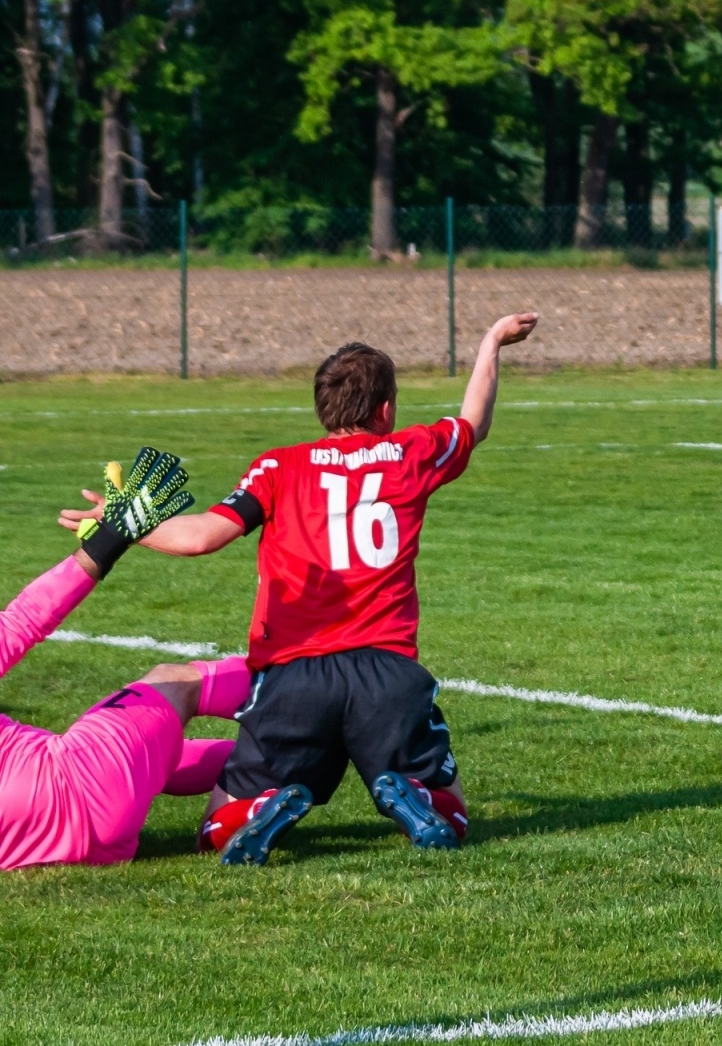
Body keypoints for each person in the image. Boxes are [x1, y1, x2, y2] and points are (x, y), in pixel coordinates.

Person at [64, 313, 539, 866]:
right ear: (386, 410)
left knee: (217, 831)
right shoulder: (412, 451)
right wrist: (491, 343)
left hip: (293, 681)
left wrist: (121, 526)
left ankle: (262, 805)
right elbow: (473, 421)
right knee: (452, 815)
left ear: (322, 409)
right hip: (388, 676)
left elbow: (201, 538)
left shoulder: (277, 466)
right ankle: (413, 798)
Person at [2, 448, 253, 870]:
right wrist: (109, 539)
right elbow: (24, 618)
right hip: (82, 782)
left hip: (93, 849)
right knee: (176, 680)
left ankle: (275, 761)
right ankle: (305, 689)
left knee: (150, 756)